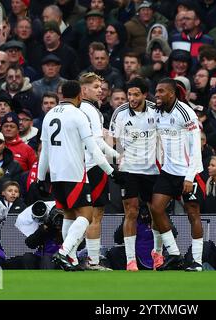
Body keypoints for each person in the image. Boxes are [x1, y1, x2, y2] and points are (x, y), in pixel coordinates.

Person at [38, 80, 122, 271]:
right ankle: (64, 251)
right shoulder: (78, 114)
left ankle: (72, 259)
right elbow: (93, 148)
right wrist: (111, 171)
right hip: (74, 173)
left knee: (69, 215)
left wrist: (40, 178)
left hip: (56, 174)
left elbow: (44, 151)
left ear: (61, 96)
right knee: (86, 214)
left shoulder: (49, 115)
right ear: (79, 96)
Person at [150, 78, 204, 271]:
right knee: (156, 209)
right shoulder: (157, 112)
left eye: (161, 91)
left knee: (192, 214)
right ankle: (174, 254)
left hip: (188, 173)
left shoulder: (185, 112)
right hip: (168, 171)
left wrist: (190, 177)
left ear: (172, 94)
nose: (157, 95)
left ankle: (197, 261)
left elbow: (196, 147)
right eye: (156, 91)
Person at [109, 77, 158, 271]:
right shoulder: (120, 113)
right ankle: (131, 260)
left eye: (136, 94)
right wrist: (116, 162)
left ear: (145, 94)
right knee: (131, 211)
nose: (132, 98)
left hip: (152, 170)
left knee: (156, 212)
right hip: (129, 169)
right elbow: (113, 140)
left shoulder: (156, 111)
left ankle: (158, 255)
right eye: (130, 94)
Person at [78, 72, 121, 271]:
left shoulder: (76, 109)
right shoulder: (92, 111)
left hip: (77, 167)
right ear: (84, 89)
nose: (100, 90)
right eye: (95, 87)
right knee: (95, 215)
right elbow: (97, 144)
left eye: (101, 86)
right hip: (93, 166)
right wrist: (115, 158)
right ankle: (93, 261)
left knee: (76, 215)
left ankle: (69, 256)